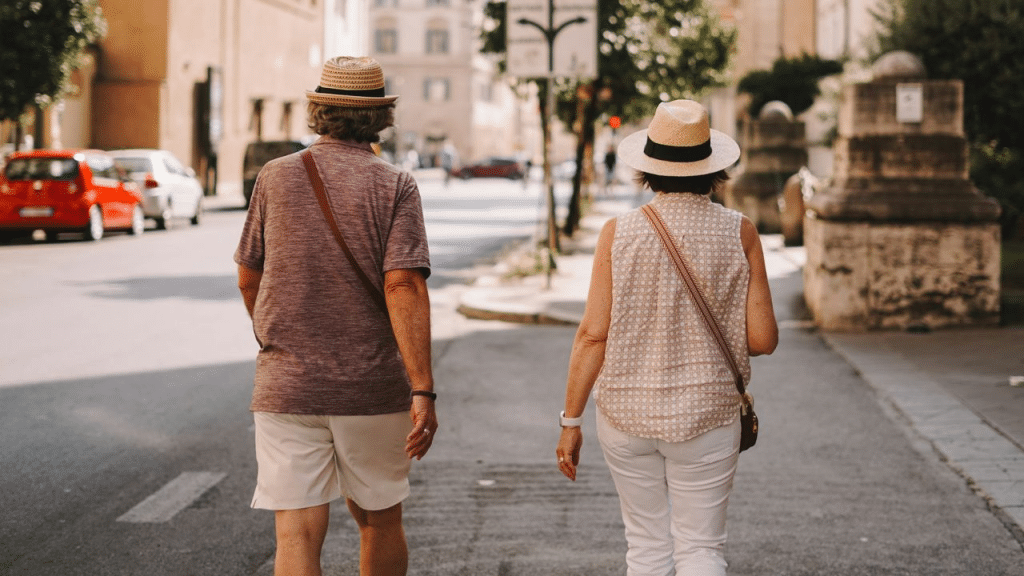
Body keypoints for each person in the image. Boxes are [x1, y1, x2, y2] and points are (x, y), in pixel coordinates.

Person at [556, 99, 778, 576]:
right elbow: (762, 339)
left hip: (625, 414)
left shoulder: (619, 232)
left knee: (647, 549)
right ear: (712, 169)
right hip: (708, 412)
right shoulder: (740, 232)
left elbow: (593, 335)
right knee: (701, 550)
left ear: (648, 170)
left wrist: (570, 421)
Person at [235, 56, 437, 576]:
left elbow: (248, 275)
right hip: (369, 386)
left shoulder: (274, 177)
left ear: (317, 111)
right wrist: (422, 388)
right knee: (379, 519)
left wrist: (275, 338)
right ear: (380, 117)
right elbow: (403, 284)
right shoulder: (395, 184)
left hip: (288, 385)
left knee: (296, 532)